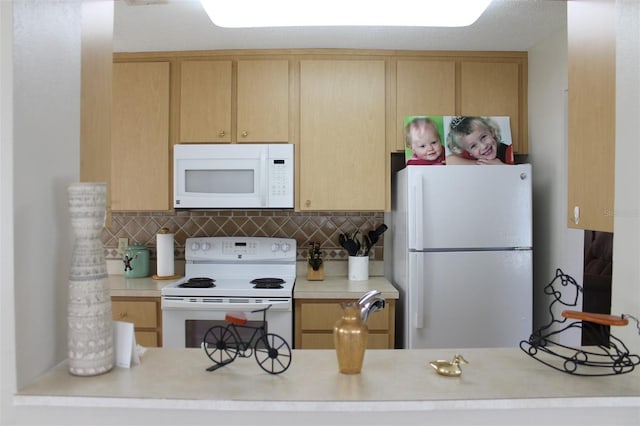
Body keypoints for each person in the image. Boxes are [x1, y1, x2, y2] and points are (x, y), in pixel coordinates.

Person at [445, 116, 513, 165]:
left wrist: (503, 167)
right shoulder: (469, 156)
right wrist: (482, 165)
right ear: (468, 151)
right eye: (473, 146)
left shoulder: (508, 151)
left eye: (483, 137)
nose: (483, 146)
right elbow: (449, 160)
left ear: (491, 132)